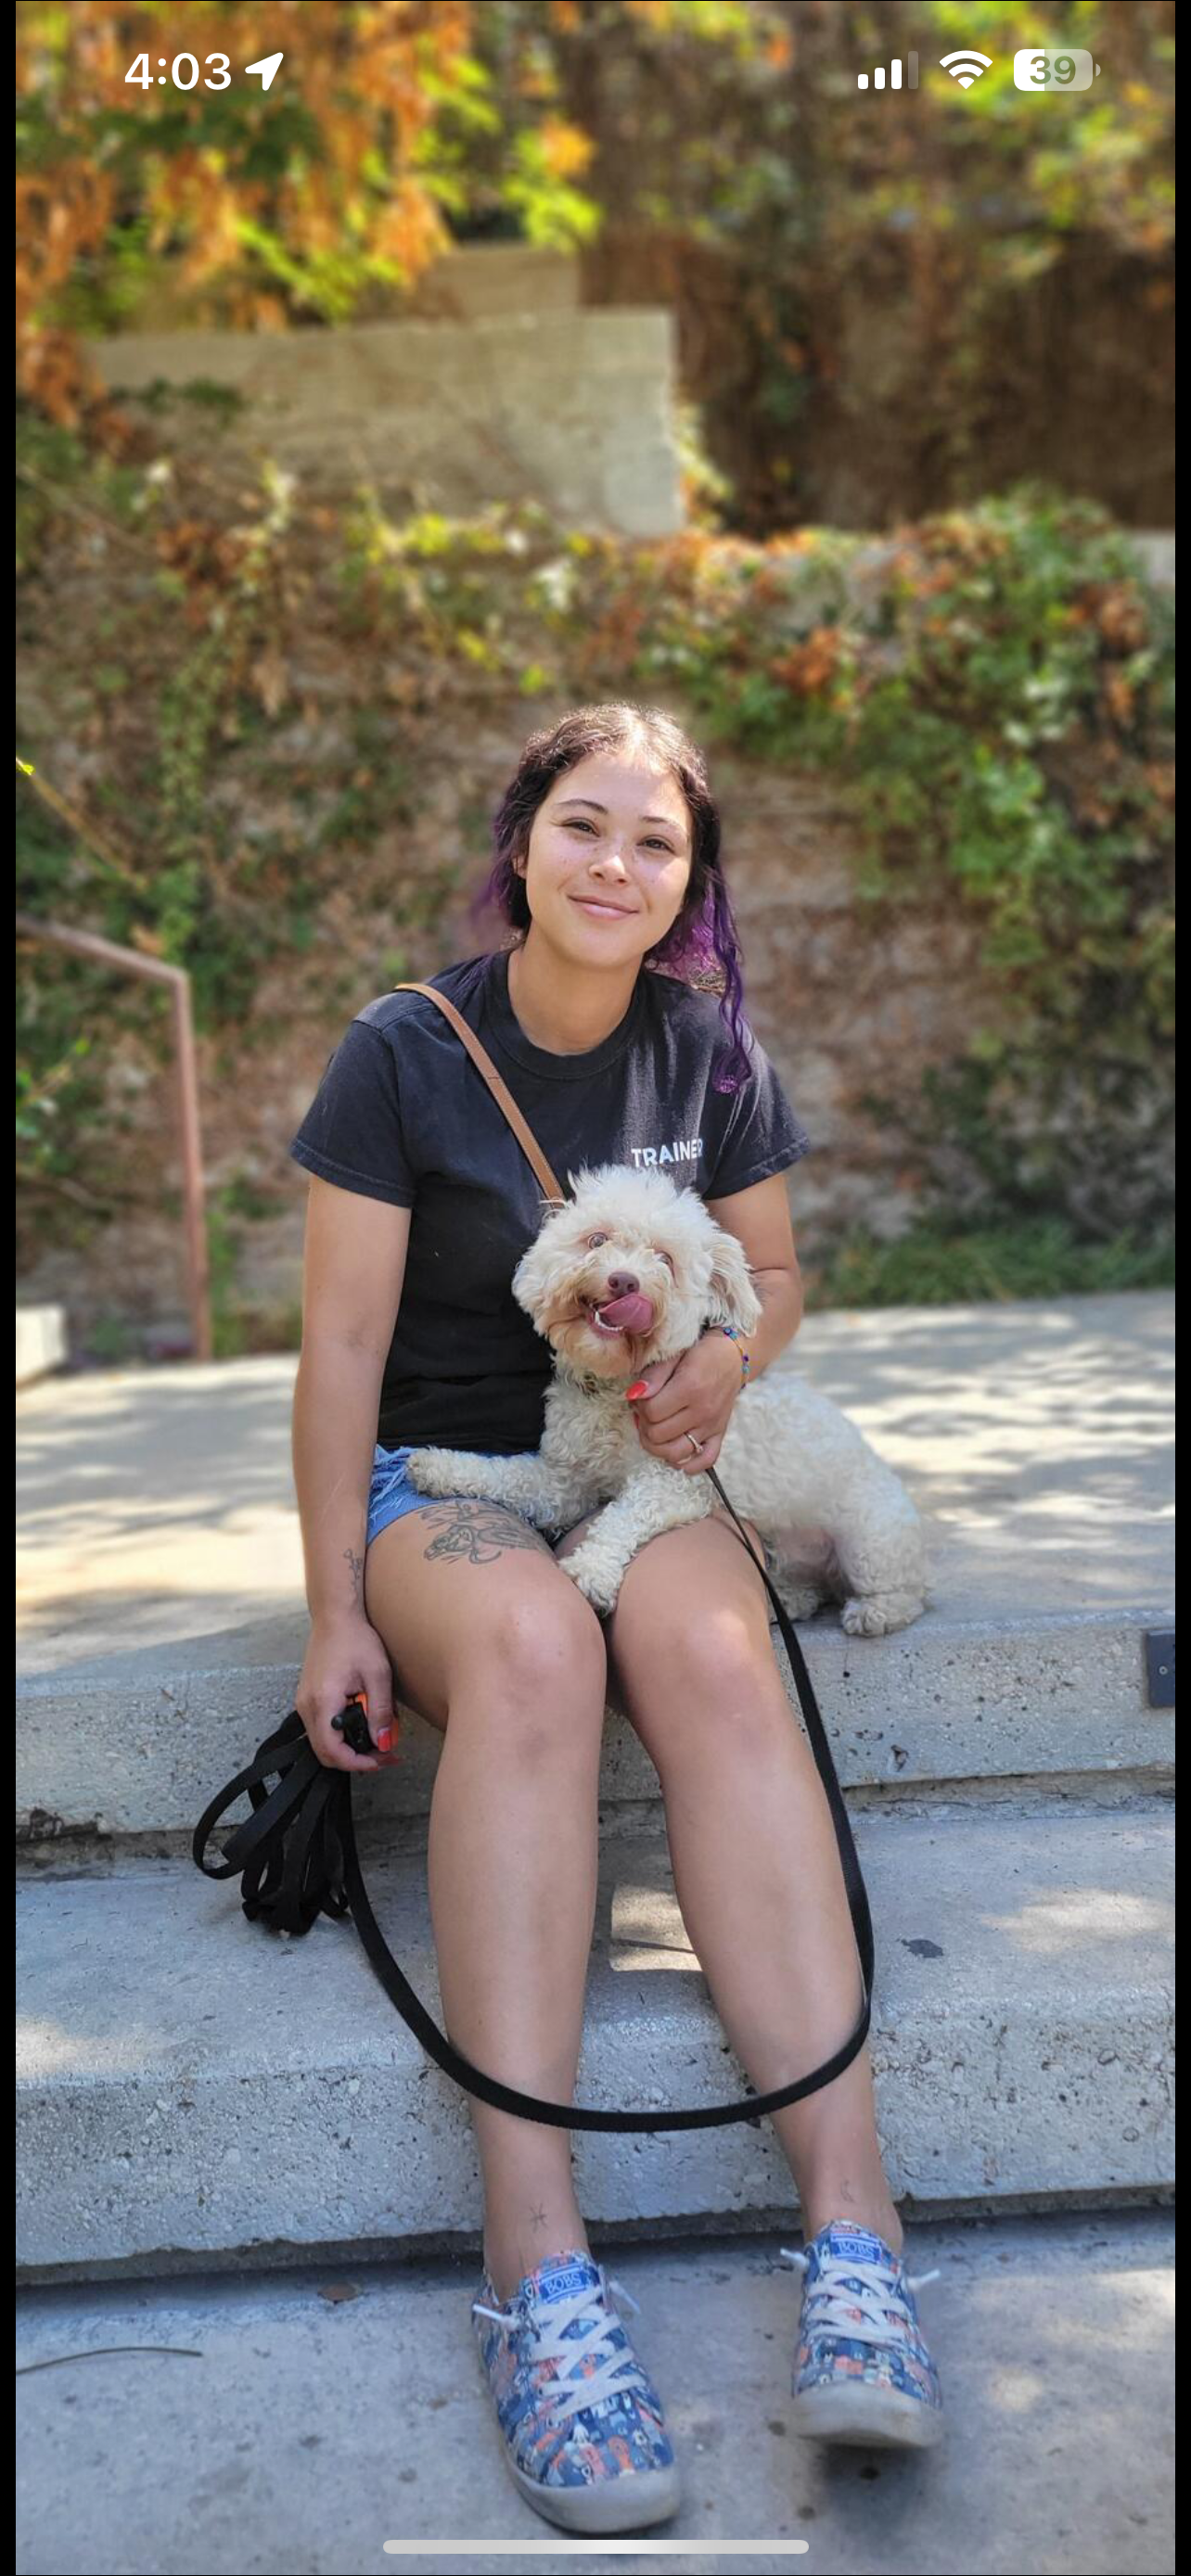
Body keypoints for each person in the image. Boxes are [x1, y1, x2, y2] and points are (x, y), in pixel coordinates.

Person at [288, 702, 943, 2536]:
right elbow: (338, 1342)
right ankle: (541, 2280)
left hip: (643, 1463)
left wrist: (731, 1352)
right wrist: (332, 1598)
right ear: (522, 847)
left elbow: (781, 1269)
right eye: (585, 827)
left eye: (656, 845)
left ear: (686, 883)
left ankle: (859, 2239)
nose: (616, 866)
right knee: (531, 1647)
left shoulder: (709, 1049)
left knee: (719, 1653)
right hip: (452, 1487)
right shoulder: (402, 1053)